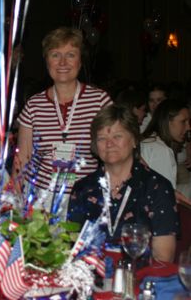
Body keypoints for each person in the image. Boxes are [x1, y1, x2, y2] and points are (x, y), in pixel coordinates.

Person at [15, 27, 111, 216]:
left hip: (87, 197)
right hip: (41, 200)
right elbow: (23, 160)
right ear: (47, 61)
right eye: (55, 55)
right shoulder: (34, 105)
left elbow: (117, 149)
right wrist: (17, 200)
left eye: (70, 55)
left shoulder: (100, 101)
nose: (63, 62)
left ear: (80, 61)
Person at [68, 104, 178, 262]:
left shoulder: (157, 187)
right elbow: (72, 248)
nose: (109, 144)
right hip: (90, 280)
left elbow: (163, 257)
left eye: (117, 136)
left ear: (134, 140)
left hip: (140, 279)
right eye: (102, 138)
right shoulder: (83, 188)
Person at [141, 99, 190, 189]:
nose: (188, 127)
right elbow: (165, 196)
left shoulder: (148, 141)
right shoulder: (160, 150)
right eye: (183, 122)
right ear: (167, 121)